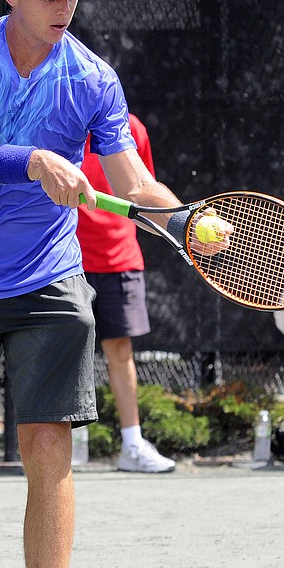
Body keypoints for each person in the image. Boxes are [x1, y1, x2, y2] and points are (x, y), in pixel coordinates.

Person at [0, 0, 227, 568]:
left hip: (48, 281)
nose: (64, 3)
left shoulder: (91, 79)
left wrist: (184, 216)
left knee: (47, 443)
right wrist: (34, 162)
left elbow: (132, 182)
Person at [76, 113, 176, 473]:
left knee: (120, 350)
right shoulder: (53, 116)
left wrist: (182, 226)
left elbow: (142, 192)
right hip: (65, 258)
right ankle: (69, 443)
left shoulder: (130, 127)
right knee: (64, 351)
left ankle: (131, 445)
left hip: (120, 257)